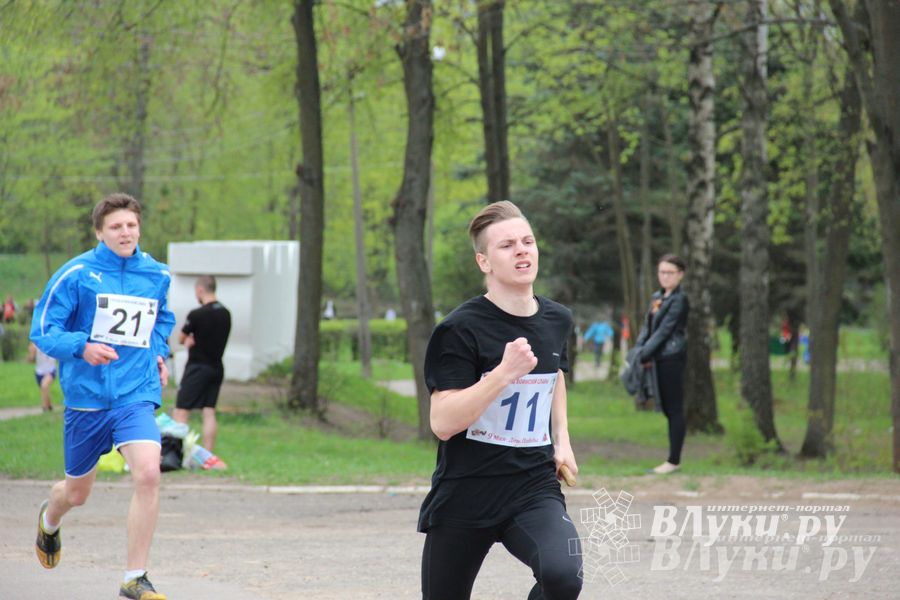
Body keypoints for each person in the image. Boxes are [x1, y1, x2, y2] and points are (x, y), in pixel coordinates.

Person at [419, 201, 582, 600]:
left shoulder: (556, 319)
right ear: (484, 262)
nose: (522, 250)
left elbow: (553, 375)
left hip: (533, 486)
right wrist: (502, 375)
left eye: (528, 241)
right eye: (507, 245)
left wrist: (562, 439)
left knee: (563, 577)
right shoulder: (459, 329)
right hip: (466, 493)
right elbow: (442, 422)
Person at [30, 193, 175, 600]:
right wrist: (83, 347)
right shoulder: (75, 274)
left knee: (149, 472)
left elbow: (162, 320)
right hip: (86, 398)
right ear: (100, 232)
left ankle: (135, 576)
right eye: (116, 226)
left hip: (135, 392)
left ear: (139, 228)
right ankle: (50, 517)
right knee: (76, 493)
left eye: (131, 225)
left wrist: (159, 352)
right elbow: (43, 329)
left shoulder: (157, 274)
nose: (125, 232)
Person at [635, 253, 689, 475]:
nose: (665, 277)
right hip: (656, 357)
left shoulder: (679, 300)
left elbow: (665, 331)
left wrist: (644, 353)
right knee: (667, 408)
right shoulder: (658, 297)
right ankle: (672, 459)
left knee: (674, 408)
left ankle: (673, 461)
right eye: (662, 272)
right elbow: (648, 328)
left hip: (671, 358)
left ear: (680, 275)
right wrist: (639, 349)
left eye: (670, 273)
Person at [173, 275, 231, 456]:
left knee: (181, 411)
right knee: (209, 411)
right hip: (217, 367)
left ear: (200, 289)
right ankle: (208, 455)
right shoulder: (225, 313)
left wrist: (190, 340)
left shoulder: (197, 314)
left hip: (197, 367)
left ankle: (175, 454)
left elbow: (181, 338)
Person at [27, 342, 57, 412]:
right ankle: (49, 406)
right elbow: (30, 360)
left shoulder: (52, 341)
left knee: (44, 385)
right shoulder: (35, 344)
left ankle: (44, 408)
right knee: (44, 390)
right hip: (39, 372)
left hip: (51, 370)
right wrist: (31, 353)